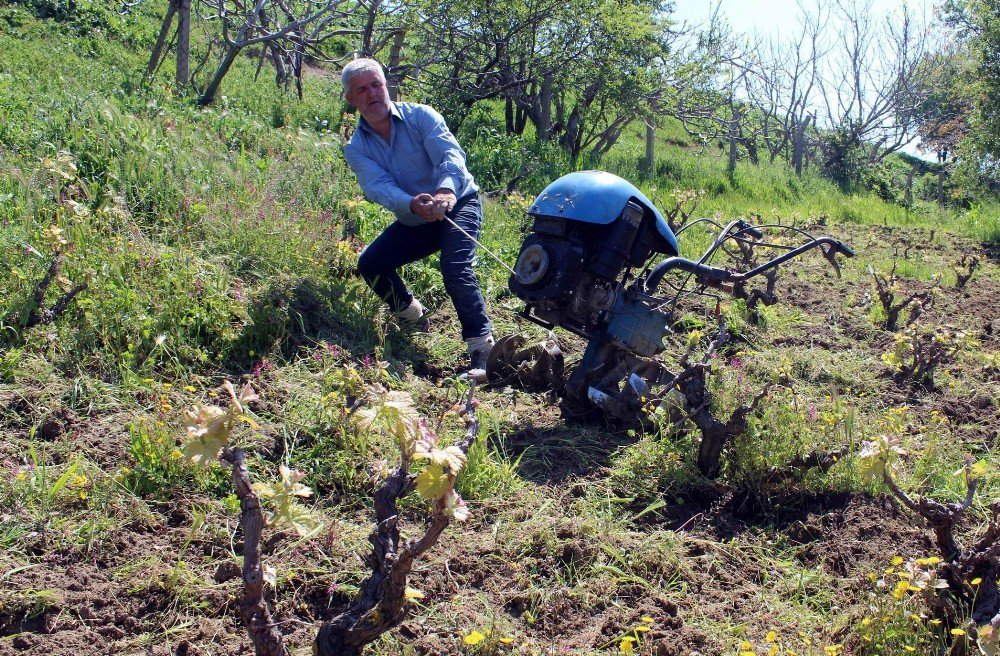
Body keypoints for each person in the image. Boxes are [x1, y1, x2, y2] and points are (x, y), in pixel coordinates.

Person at [340, 58, 494, 381]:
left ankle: (482, 350)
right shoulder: (356, 148)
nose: (372, 94)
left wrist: (445, 192)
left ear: (387, 86)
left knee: (455, 267)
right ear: (350, 99)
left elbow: (451, 156)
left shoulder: (420, 116)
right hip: (416, 219)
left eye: (376, 85)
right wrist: (413, 203)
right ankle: (413, 315)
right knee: (371, 263)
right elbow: (378, 187)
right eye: (362, 89)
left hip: (459, 204)